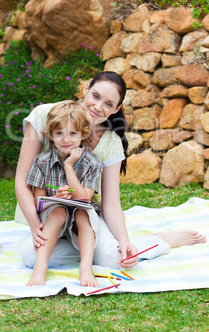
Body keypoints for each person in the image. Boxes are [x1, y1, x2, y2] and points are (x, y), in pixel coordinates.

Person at [16, 71, 206, 271]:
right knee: (30, 255)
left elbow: (111, 202)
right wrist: (35, 226)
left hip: (85, 214)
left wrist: (123, 239)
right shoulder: (45, 115)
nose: (98, 107)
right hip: (49, 214)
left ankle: (154, 240)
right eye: (96, 96)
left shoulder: (111, 141)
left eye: (108, 104)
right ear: (86, 89)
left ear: (117, 109)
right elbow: (22, 181)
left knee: (113, 259)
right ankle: (90, 249)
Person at [25, 100, 103, 286]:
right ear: (51, 135)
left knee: (82, 214)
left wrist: (69, 166)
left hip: (81, 217)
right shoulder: (41, 161)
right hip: (53, 216)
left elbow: (84, 197)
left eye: (72, 133)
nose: (66, 140)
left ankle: (85, 268)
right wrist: (55, 199)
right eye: (59, 133)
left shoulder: (92, 162)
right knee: (59, 210)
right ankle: (39, 269)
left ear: (83, 134)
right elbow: (38, 201)